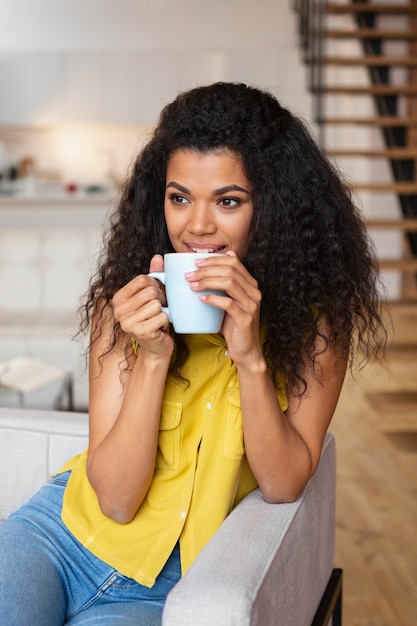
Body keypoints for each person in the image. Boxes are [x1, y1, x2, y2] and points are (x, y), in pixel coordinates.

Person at [0, 82, 387, 625]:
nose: (196, 226)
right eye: (179, 197)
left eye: (228, 201)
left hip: (166, 591)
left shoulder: (317, 325)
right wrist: (153, 357)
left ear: (273, 208)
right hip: (59, 540)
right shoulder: (125, 310)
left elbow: (284, 482)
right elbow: (113, 499)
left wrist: (250, 357)